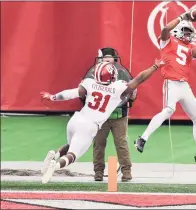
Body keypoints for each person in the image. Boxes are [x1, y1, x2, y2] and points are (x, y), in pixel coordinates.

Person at [40, 57, 169, 184]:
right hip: (90, 125)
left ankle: (54, 154)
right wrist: (155, 66)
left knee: (69, 145)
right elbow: (140, 78)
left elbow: (71, 93)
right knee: (73, 155)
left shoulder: (89, 83)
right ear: (111, 76)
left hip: (76, 119)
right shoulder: (118, 88)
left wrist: (52, 97)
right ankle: (55, 166)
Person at [134, 10, 196, 167]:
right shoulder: (168, 41)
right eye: (185, 31)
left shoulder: (189, 47)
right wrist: (182, 17)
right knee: (168, 110)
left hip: (184, 85)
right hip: (171, 83)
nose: (187, 34)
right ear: (178, 30)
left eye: (189, 32)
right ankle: (142, 138)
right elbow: (165, 29)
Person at [82, 47, 136, 182]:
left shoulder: (123, 72)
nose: (107, 59)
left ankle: (126, 171)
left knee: (121, 144)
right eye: (104, 57)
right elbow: (83, 92)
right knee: (98, 144)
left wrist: (131, 97)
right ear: (99, 59)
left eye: (109, 57)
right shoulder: (92, 73)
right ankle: (98, 172)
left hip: (119, 116)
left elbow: (133, 90)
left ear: (114, 59)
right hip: (100, 117)